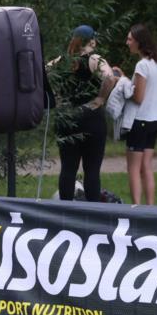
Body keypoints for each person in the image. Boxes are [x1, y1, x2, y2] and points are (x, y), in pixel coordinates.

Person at [51, 25, 117, 202]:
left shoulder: (61, 60)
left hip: (67, 118)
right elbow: (109, 77)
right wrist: (101, 98)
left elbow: (43, 73)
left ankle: (65, 210)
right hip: (91, 116)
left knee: (68, 168)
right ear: (92, 41)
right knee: (92, 170)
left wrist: (55, 98)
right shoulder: (94, 59)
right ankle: (92, 212)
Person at [123, 23, 157, 205]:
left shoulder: (141, 65)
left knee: (133, 168)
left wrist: (122, 86)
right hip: (155, 120)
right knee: (146, 166)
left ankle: (136, 209)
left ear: (139, 42)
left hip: (140, 121)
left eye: (130, 39)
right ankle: (150, 208)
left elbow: (138, 97)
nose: (127, 43)